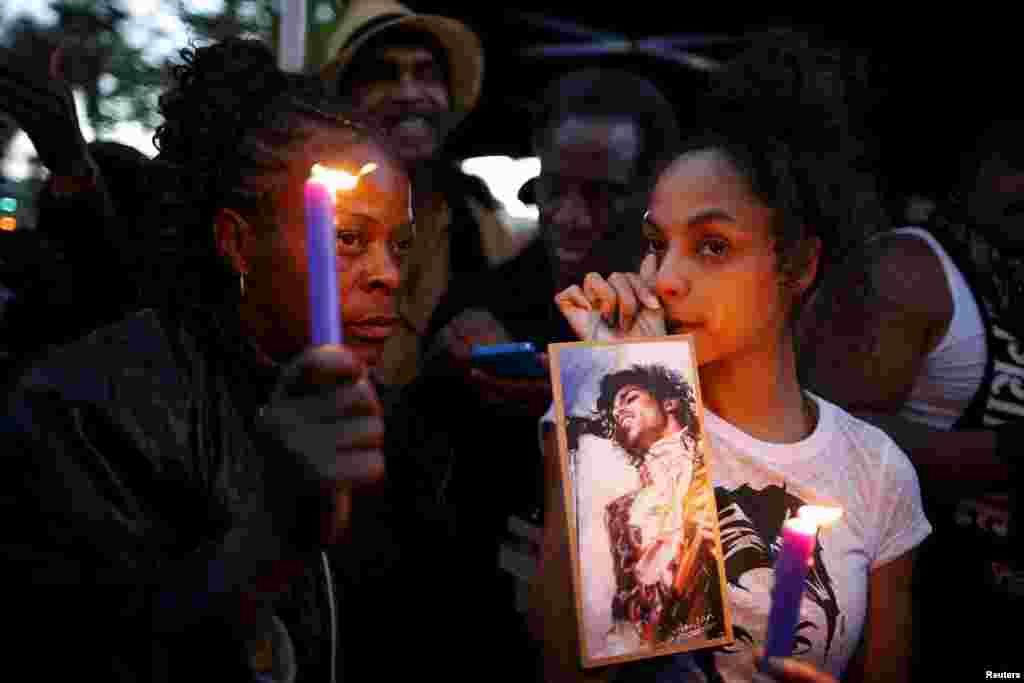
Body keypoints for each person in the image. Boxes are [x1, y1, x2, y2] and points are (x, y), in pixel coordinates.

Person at [1, 37, 413, 682]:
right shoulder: (86, 408)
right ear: (238, 243)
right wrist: (270, 532)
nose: (389, 275)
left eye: (399, 244)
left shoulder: (384, 418)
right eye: (350, 239)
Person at [528, 31, 931, 682]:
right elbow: (568, 669)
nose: (665, 279)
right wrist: (617, 396)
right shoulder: (603, 408)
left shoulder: (876, 471)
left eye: (712, 246)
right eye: (656, 244)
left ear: (798, 264)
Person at [799, 115, 1024, 679]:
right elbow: (829, 440)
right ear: (972, 164)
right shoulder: (911, 270)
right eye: (1013, 162)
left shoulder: (1006, 272)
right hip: (930, 618)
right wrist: (1004, 452)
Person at [320, 0, 544, 389]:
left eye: (426, 74)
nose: (409, 93)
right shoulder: (311, 220)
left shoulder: (483, 225)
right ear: (345, 102)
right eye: (384, 75)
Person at [584, 363, 722, 655]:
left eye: (629, 398)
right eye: (613, 409)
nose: (618, 411)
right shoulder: (620, 512)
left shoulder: (718, 464)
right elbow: (627, 615)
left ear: (669, 402)